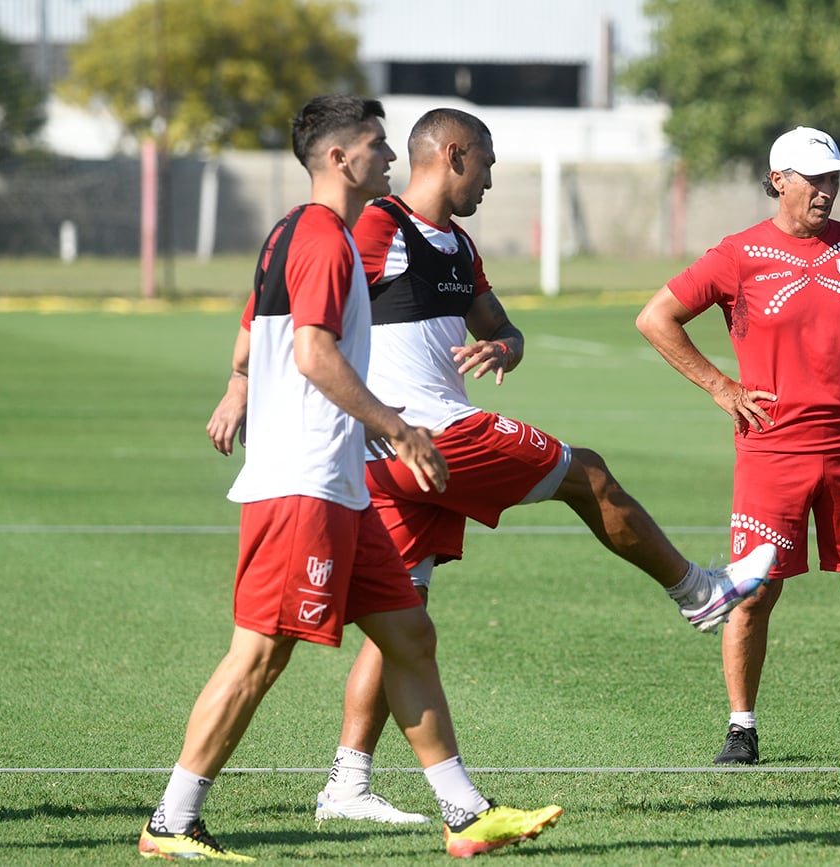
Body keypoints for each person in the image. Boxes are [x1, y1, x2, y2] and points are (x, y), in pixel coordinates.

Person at [209, 106, 775, 825]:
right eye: (487, 161)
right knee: (588, 473)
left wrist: (506, 346)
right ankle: (699, 592)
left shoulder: (459, 246)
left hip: (397, 456)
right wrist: (241, 381)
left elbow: (502, 326)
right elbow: (289, 292)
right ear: (453, 155)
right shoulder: (376, 224)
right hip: (425, 436)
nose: (492, 177)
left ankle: (347, 785)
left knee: (402, 624)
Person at [145, 95, 561, 862]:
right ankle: (171, 822)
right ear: (339, 159)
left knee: (408, 634)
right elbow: (312, 353)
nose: (389, 157)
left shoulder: (292, 235)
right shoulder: (326, 237)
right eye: (376, 145)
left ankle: (465, 814)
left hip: (339, 484)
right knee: (260, 655)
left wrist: (239, 384)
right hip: (302, 480)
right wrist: (398, 427)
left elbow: (255, 336)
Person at [635, 126, 840, 767]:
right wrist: (720, 386)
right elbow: (655, 317)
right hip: (770, 452)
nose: (826, 190)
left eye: (833, 179)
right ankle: (741, 731)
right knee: (754, 590)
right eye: (814, 179)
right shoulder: (738, 254)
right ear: (779, 181)